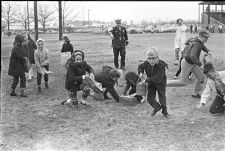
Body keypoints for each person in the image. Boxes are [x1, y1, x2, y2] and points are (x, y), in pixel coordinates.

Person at [167, 29, 211, 98]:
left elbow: (202, 46)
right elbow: (192, 56)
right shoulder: (196, 43)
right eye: (206, 37)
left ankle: (195, 93)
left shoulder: (199, 41)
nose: (207, 39)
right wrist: (200, 65)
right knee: (182, 82)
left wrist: (207, 51)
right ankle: (164, 83)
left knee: (201, 78)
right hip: (187, 63)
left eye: (207, 37)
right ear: (201, 36)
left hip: (192, 63)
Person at [138, 47, 169, 118]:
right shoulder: (146, 63)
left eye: (153, 58)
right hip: (151, 83)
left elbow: (158, 78)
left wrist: (146, 80)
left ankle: (165, 112)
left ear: (158, 58)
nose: (151, 60)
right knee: (150, 98)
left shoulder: (161, 65)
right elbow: (140, 66)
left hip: (160, 83)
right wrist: (141, 73)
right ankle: (157, 107)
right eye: (149, 58)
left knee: (162, 98)